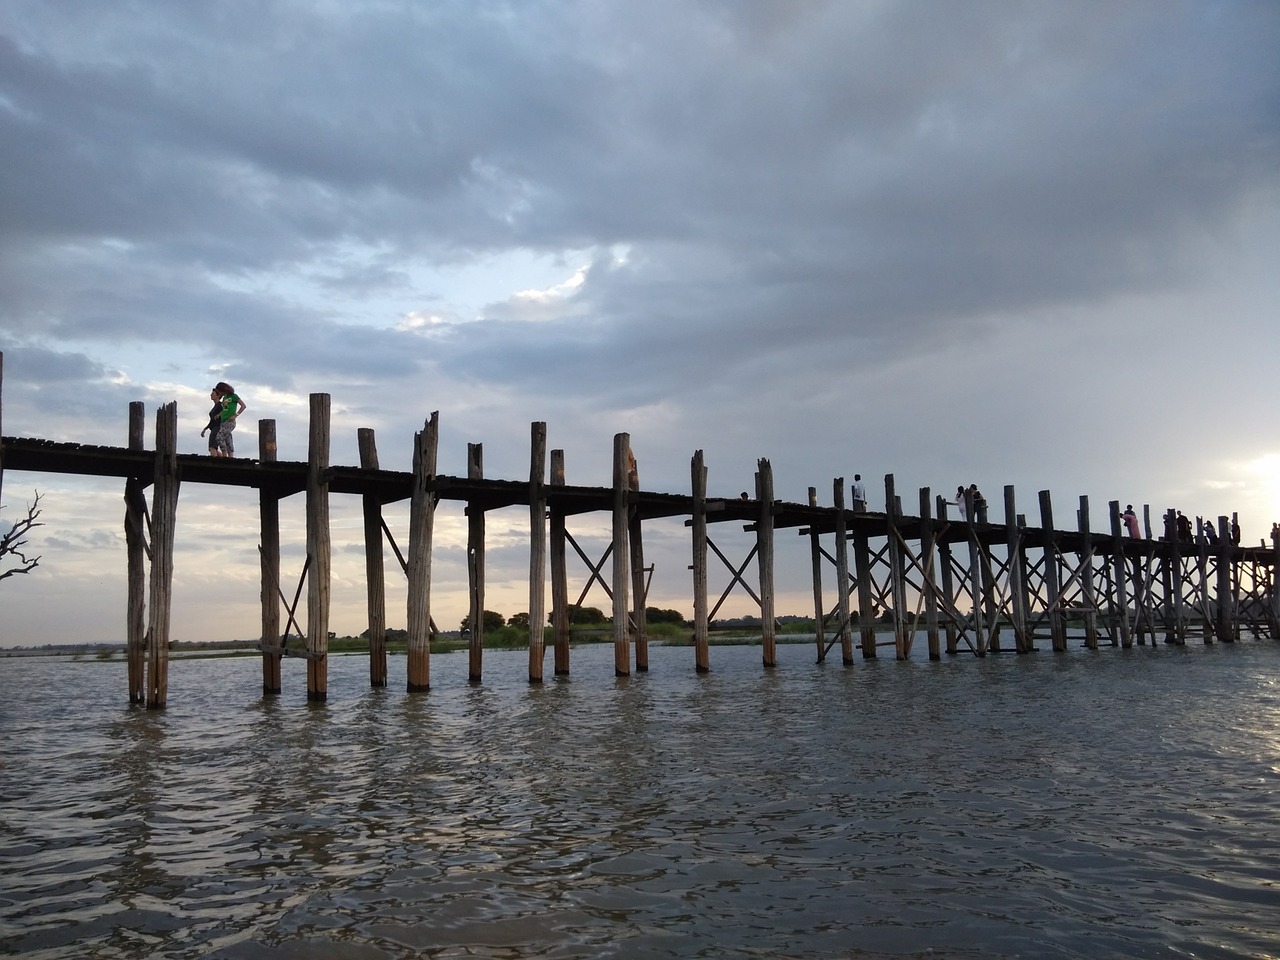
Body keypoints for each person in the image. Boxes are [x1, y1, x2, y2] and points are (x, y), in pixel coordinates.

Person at [212, 381, 246, 457]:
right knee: (227, 440)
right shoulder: (225, 398)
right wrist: (219, 414)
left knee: (219, 438)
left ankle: (225, 455)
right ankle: (231, 456)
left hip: (230, 421)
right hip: (223, 421)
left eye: (220, 391)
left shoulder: (234, 396)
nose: (220, 393)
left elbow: (243, 406)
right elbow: (225, 409)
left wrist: (236, 415)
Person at [199, 387, 222, 455]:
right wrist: (205, 429)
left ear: (218, 396)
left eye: (213, 394)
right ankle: (225, 459)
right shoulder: (215, 406)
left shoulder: (220, 405)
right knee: (212, 448)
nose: (211, 395)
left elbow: (225, 412)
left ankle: (215, 463)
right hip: (213, 428)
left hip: (217, 428)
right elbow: (212, 421)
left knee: (212, 447)